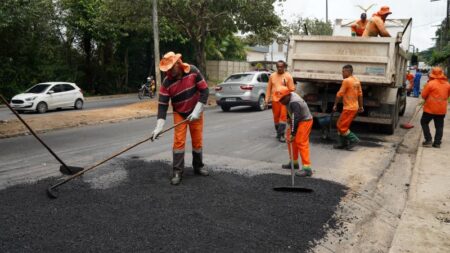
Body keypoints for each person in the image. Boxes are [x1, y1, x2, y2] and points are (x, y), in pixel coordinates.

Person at [151, 52, 209, 185]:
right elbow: (162, 106)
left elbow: (205, 91)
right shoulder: (166, 82)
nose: (169, 72)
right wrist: (158, 127)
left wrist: (196, 111)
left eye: (171, 68)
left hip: (196, 111)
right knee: (178, 142)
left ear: (178, 64)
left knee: (197, 140)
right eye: (167, 70)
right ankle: (177, 171)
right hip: (179, 113)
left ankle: (198, 166)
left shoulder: (193, 71)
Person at [273, 86, 313, 177]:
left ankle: (307, 169)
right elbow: (289, 110)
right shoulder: (287, 99)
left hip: (305, 121)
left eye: (281, 99)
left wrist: (293, 133)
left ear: (287, 96)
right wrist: (288, 118)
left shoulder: (295, 102)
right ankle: (294, 163)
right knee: (291, 141)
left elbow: (296, 118)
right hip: (295, 119)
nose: (280, 102)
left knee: (301, 141)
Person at [333, 64, 364, 150]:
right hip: (355, 107)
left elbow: (339, 94)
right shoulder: (357, 81)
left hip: (349, 108)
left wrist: (335, 105)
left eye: (343, 71)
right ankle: (342, 144)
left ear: (348, 72)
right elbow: (360, 95)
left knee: (341, 126)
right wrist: (361, 107)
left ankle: (354, 140)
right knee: (341, 124)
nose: (342, 73)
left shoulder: (346, 81)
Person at [265, 60, 296, 142]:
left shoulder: (288, 76)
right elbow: (268, 88)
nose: (279, 68)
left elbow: (292, 89)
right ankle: (278, 132)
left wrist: (290, 100)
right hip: (275, 101)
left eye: (281, 67)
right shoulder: (272, 76)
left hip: (284, 101)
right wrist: (266, 99)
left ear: (284, 67)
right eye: (278, 67)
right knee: (276, 117)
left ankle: (281, 135)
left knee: (282, 117)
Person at [420, 67, 450, 148]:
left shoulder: (430, 83)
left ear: (432, 74)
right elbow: (447, 95)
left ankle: (428, 140)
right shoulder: (447, 84)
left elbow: (423, 95)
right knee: (439, 126)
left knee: (424, 122)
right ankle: (437, 143)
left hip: (430, 109)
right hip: (441, 109)